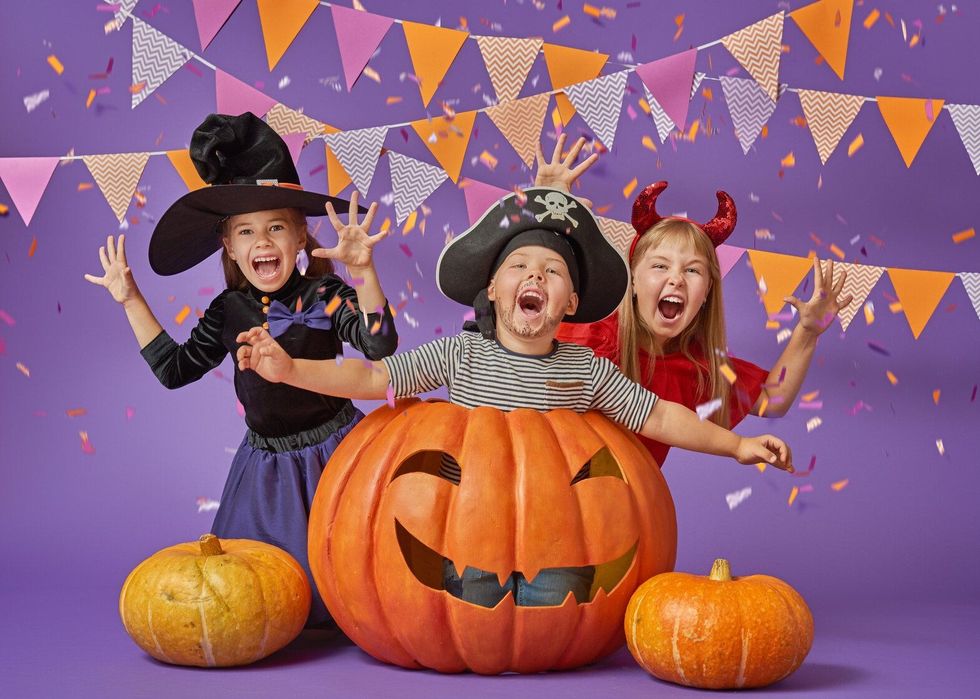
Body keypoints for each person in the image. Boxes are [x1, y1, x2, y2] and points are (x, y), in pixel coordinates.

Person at [234, 185, 793, 609]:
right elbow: (372, 380)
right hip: (464, 517)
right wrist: (289, 370)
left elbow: (660, 415)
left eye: (553, 272)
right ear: (493, 290)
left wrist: (737, 446)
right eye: (520, 267)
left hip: (551, 529)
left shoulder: (585, 372)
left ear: (570, 302)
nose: (536, 276)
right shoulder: (459, 355)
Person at [84, 112, 398, 626]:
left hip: (336, 455)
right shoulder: (229, 310)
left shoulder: (326, 295)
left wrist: (363, 273)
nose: (263, 242)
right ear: (229, 246)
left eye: (276, 227)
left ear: (301, 239)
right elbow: (174, 370)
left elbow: (381, 344)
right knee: (264, 598)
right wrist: (131, 299)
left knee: (351, 584)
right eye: (246, 232)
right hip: (265, 471)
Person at [537, 137, 852, 467]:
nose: (676, 279)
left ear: (706, 295)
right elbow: (529, 298)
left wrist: (808, 331)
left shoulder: (699, 371)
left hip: (622, 506)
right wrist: (546, 204)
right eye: (660, 266)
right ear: (633, 282)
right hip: (544, 484)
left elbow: (773, 399)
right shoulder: (586, 339)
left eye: (692, 270)